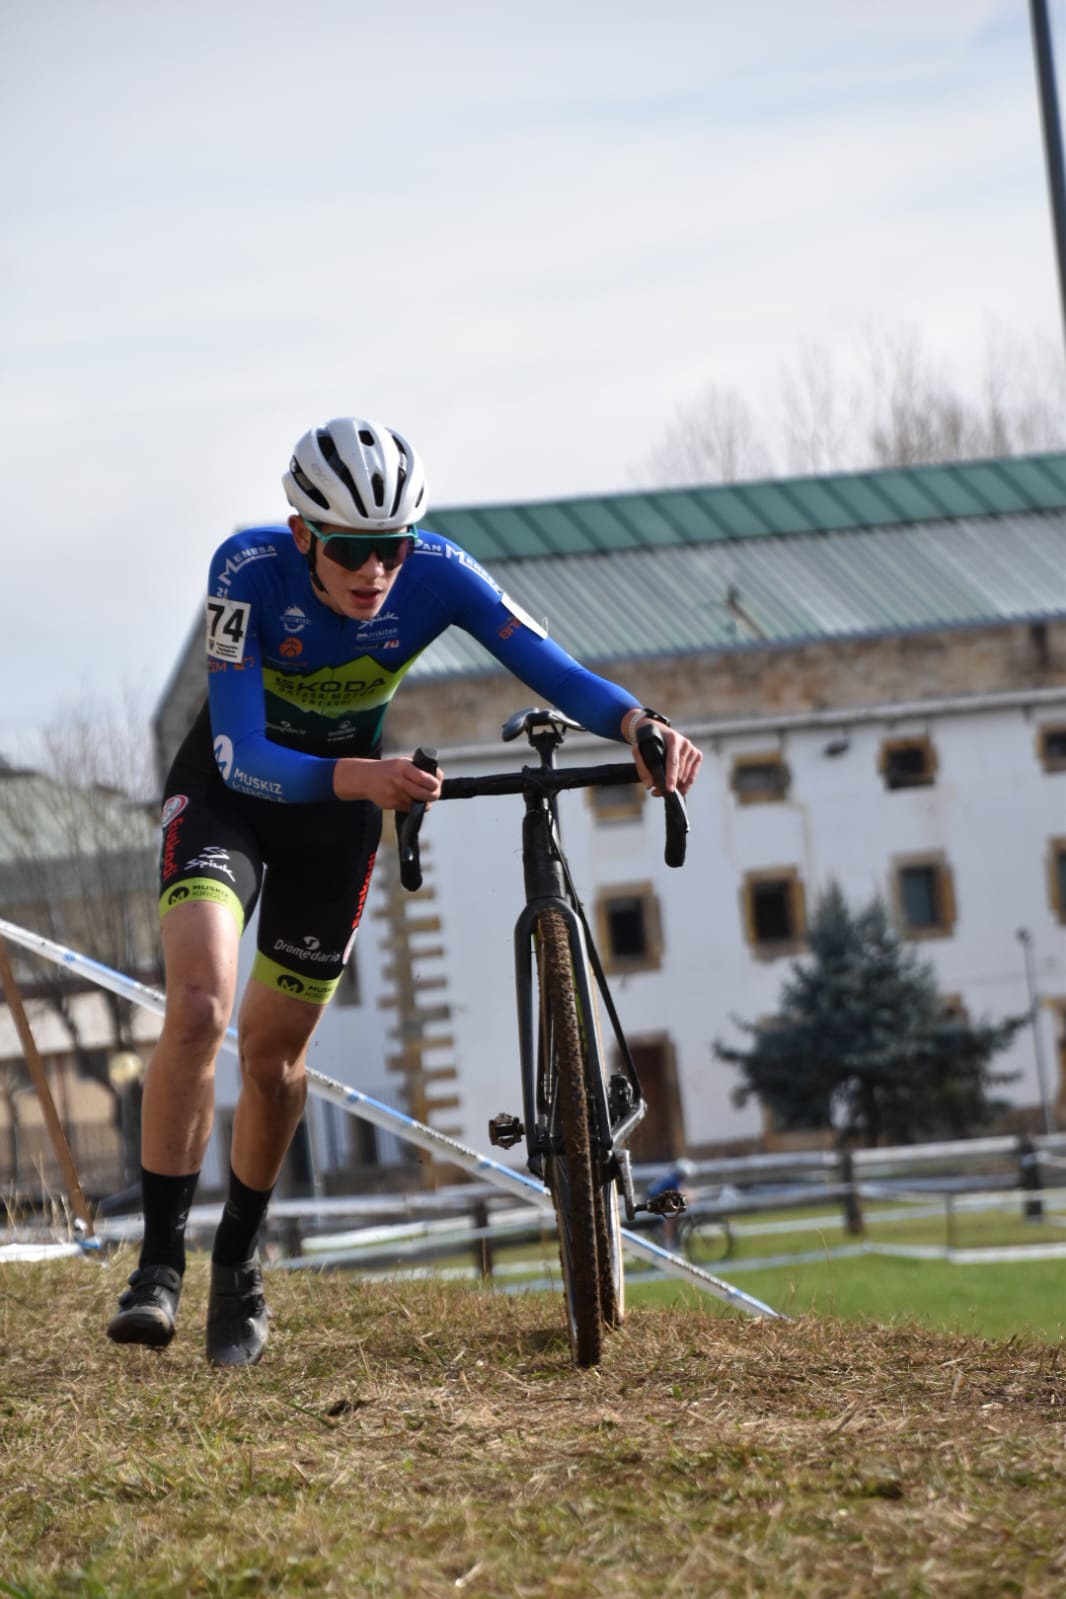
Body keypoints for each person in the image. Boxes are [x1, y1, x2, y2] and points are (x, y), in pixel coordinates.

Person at [107, 415, 702, 1366]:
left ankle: (239, 1265)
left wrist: (636, 722)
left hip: (336, 821)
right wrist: (363, 776)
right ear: (304, 533)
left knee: (271, 1062)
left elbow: (546, 664)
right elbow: (238, 750)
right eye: (351, 549)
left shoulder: (436, 572)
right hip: (234, 797)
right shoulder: (245, 571)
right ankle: (158, 1265)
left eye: (389, 547)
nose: (374, 570)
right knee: (199, 1004)